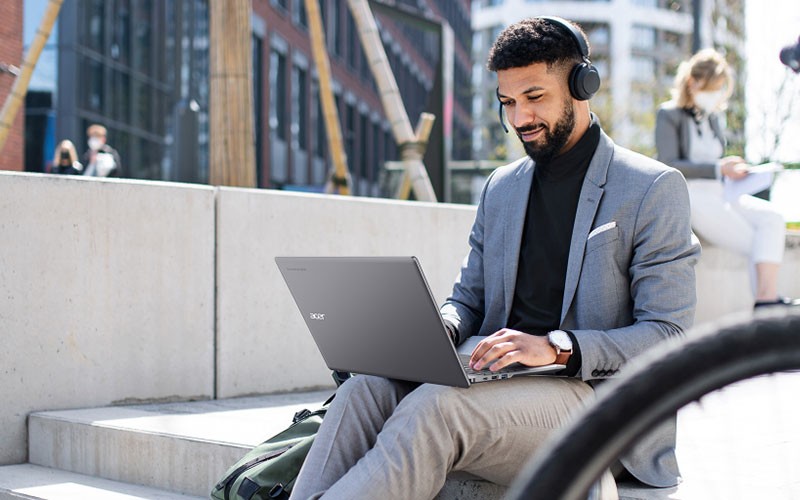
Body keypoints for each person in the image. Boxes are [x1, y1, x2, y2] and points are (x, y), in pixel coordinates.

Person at [291, 17, 700, 500]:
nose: (519, 118)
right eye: (508, 102)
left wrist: (557, 347)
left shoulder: (652, 187)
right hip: (494, 377)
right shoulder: (502, 187)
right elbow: (468, 297)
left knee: (437, 409)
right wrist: (439, 328)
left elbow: (668, 334)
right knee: (363, 390)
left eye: (534, 97)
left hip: (590, 400)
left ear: (581, 85)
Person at [655, 48, 797, 308]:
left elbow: (717, 162)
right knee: (754, 241)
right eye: (714, 87)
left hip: (723, 192)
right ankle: (765, 303)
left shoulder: (714, 118)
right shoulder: (669, 114)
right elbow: (667, 163)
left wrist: (735, 171)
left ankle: (766, 299)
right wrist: (719, 168)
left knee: (772, 219)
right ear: (693, 82)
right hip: (693, 196)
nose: (717, 94)